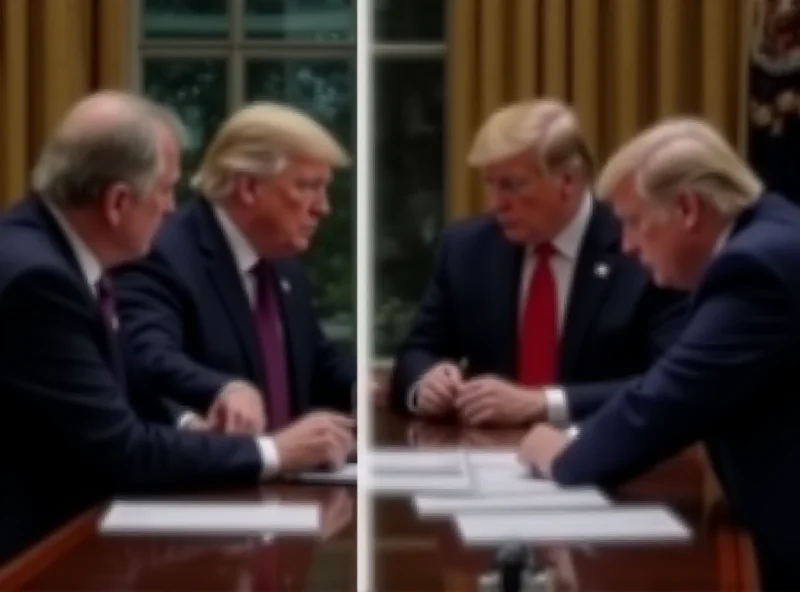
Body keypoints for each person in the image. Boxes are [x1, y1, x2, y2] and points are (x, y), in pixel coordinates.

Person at [0, 91, 354, 564]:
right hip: (33, 556)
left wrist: (189, 423)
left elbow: (125, 392)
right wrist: (273, 452)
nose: (172, 208)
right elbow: (121, 448)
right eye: (165, 190)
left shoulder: (54, 255)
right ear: (118, 202)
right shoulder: (39, 280)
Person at [519, 117, 800, 590]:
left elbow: (666, 401)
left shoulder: (755, 268)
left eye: (633, 222)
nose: (626, 245)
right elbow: (674, 379)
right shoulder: (770, 234)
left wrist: (564, 454)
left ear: (688, 209)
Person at [389, 99, 686, 427]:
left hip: (609, 458)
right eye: (490, 184)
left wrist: (545, 403)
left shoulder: (641, 249)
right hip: (487, 457)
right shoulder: (467, 249)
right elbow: (415, 354)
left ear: (568, 182)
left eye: (512, 185)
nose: (496, 203)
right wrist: (426, 382)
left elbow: (670, 382)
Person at [112, 102, 356, 434]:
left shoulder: (282, 263)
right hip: (204, 476)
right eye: (307, 187)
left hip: (292, 476)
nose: (323, 208)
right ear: (249, 188)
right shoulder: (163, 253)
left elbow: (318, 365)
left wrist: (372, 388)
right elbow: (147, 357)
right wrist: (226, 389)